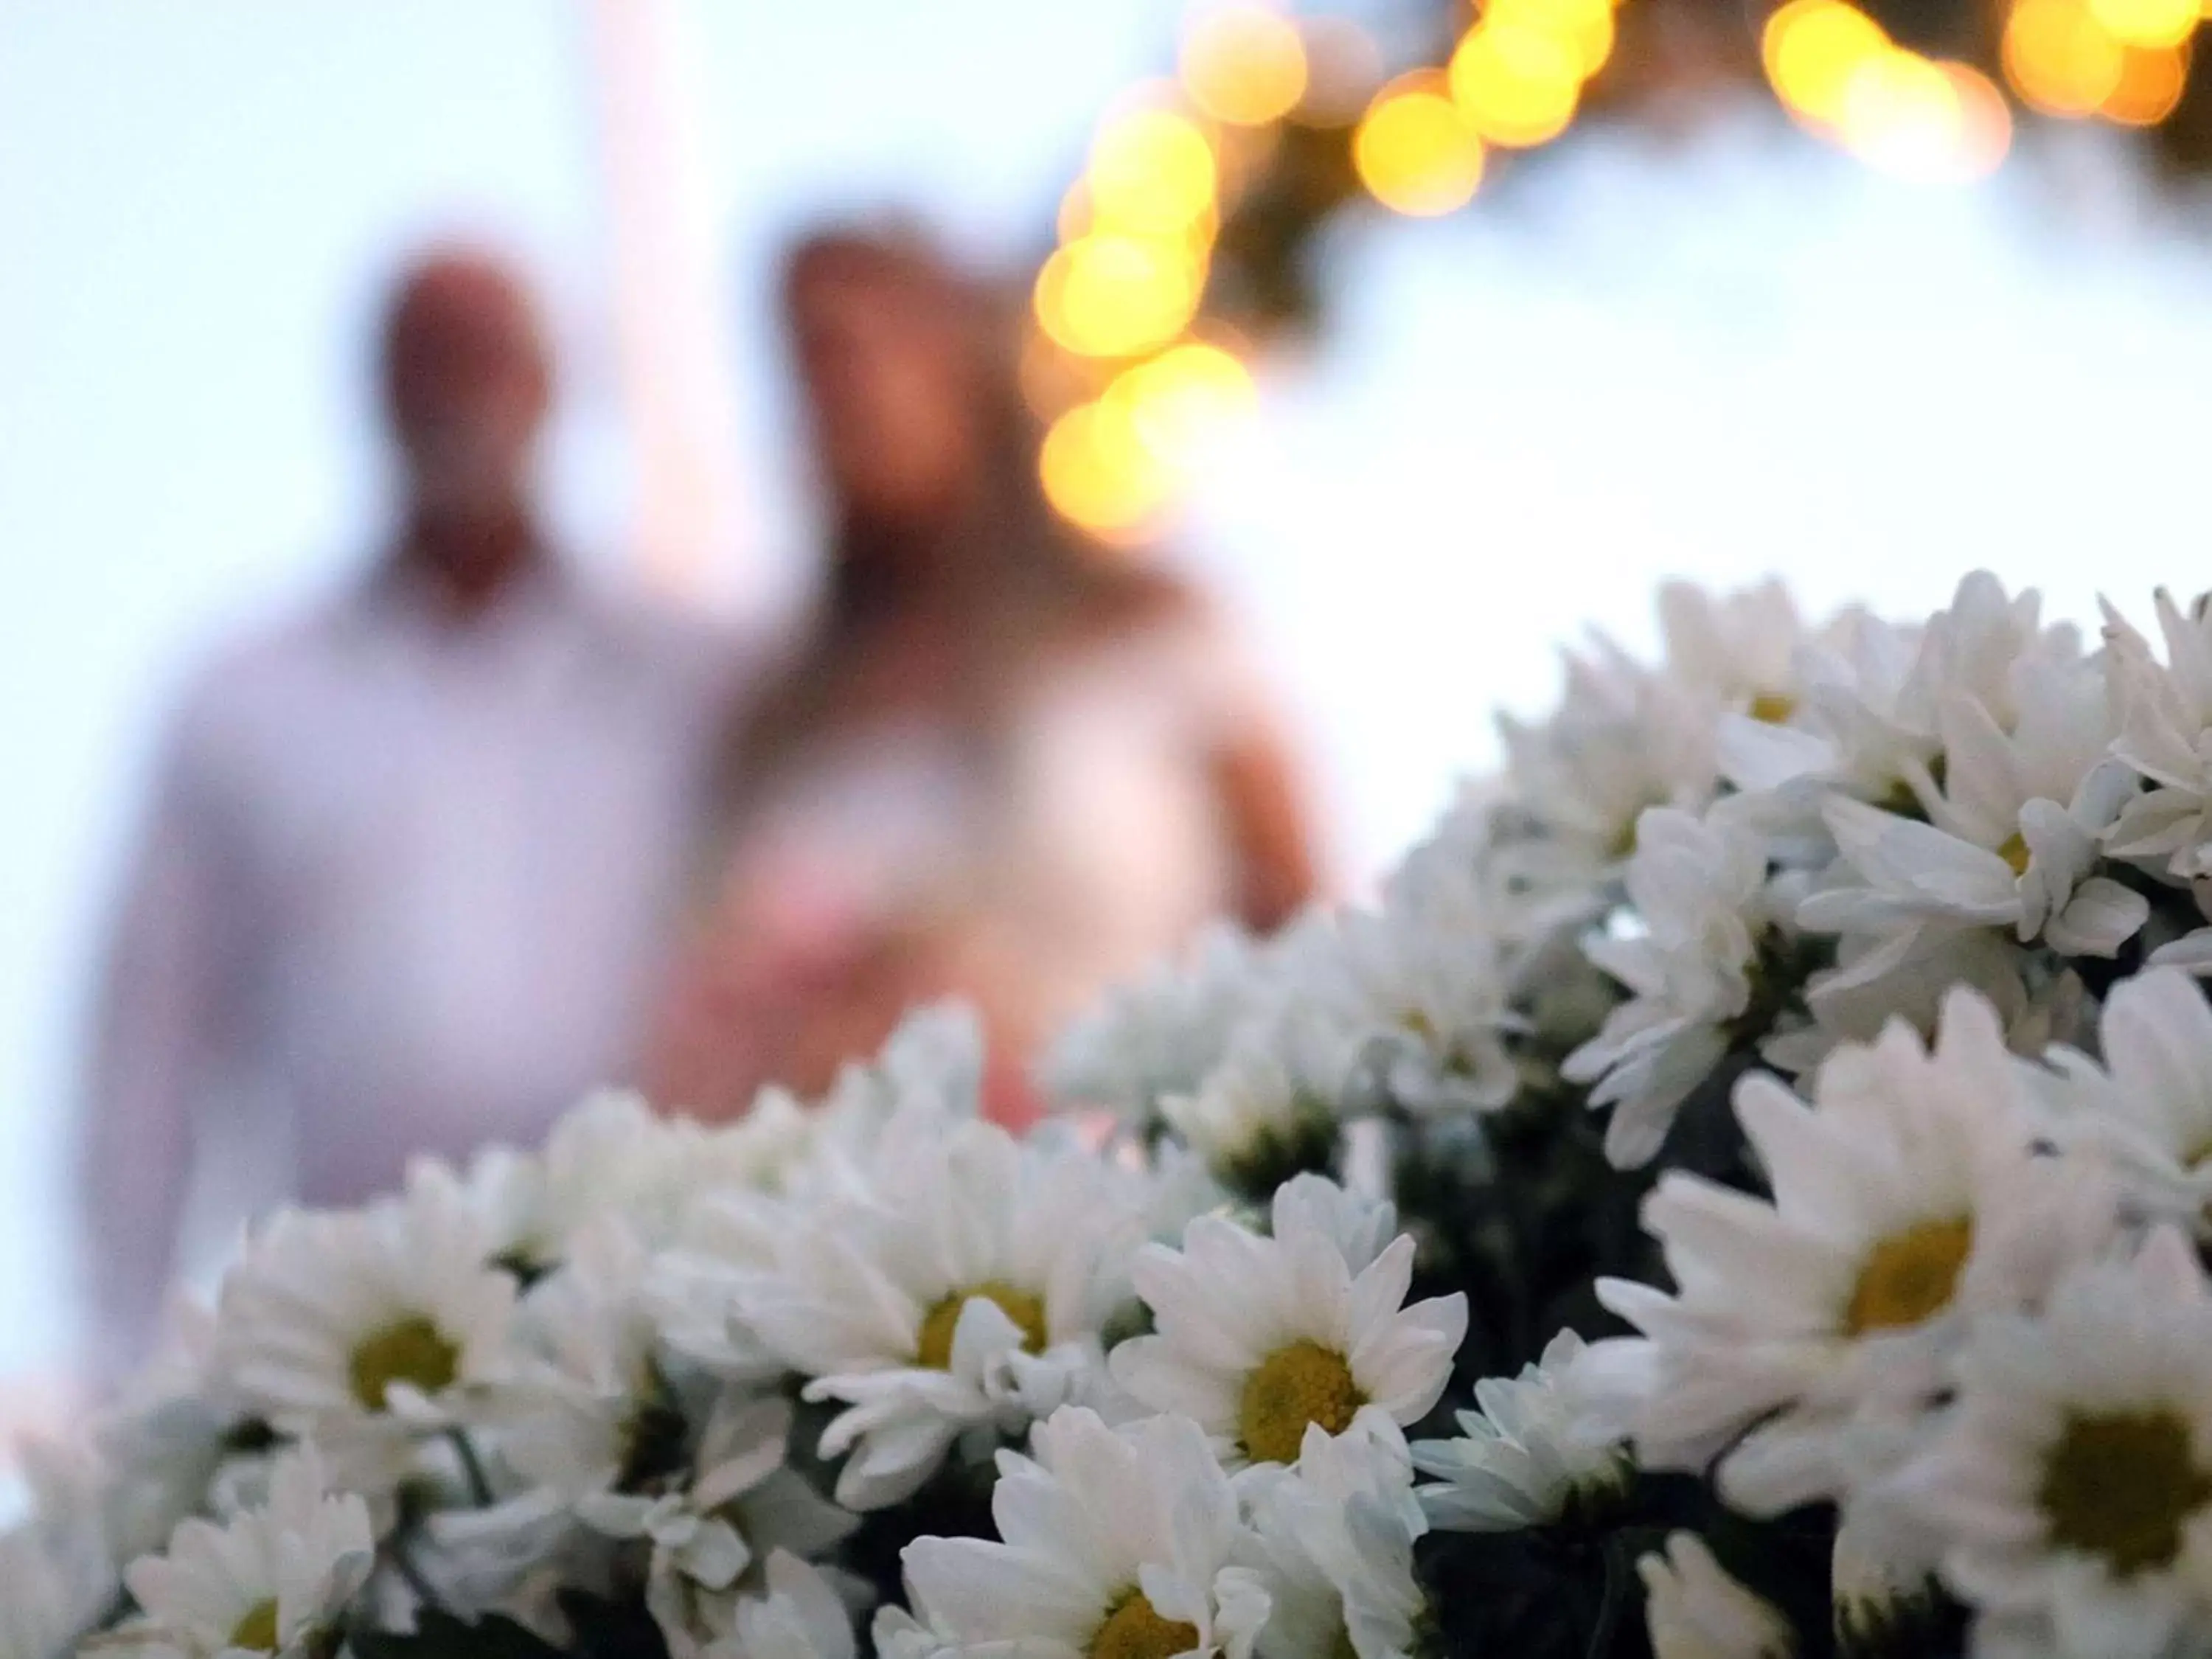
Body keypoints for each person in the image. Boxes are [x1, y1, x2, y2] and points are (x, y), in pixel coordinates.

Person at [78, 248, 739, 1379]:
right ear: (375, 393)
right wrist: (125, 1362)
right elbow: (147, 1044)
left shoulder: (692, 669)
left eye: (490, 355)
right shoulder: (243, 700)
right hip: (362, 1347)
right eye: (426, 360)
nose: (459, 393)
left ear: (550, 382)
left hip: (659, 1317)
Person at [644, 228, 1319, 1122]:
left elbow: (1301, 930)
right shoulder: (771, 723)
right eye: (810, 360)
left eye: (877, 341)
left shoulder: (1149, 628)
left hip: (1151, 1199)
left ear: (968, 356)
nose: (848, 390)